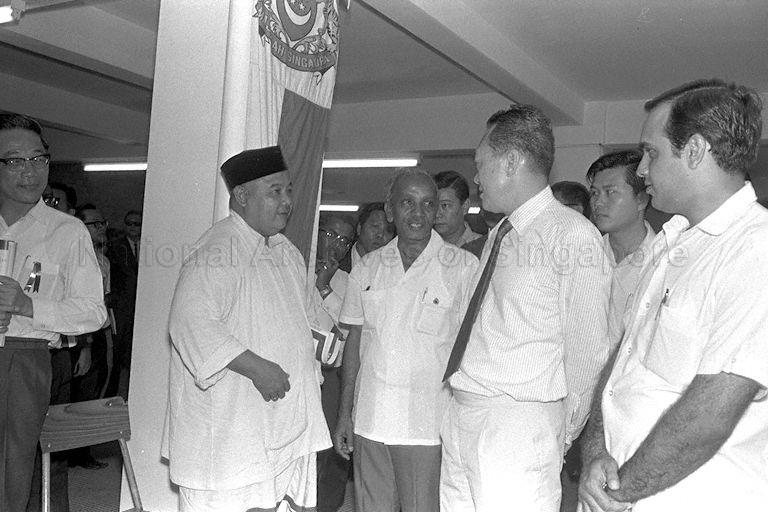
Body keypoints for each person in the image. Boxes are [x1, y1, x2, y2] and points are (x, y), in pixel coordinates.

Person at [579, 79, 768, 512]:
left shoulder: (755, 250)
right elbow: (620, 364)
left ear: (696, 151)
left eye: (652, 152)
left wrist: (620, 490)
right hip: (618, 489)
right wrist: (594, 453)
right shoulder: (671, 242)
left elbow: (711, 413)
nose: (642, 169)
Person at [440, 105, 611, 512]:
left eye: (481, 165)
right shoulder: (502, 231)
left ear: (512, 161)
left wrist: (560, 431)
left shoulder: (572, 235)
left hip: (518, 423)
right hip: (464, 411)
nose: (477, 178)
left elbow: (589, 352)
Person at [163, 146, 330, 512]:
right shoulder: (218, 248)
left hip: (277, 422)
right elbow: (190, 322)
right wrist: (258, 368)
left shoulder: (287, 251)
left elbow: (302, 317)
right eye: (275, 191)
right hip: (229, 428)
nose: (286, 201)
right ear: (241, 196)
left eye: (288, 190)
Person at [334, 169, 477, 512]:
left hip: (429, 425)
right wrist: (345, 414)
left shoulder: (462, 267)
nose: (418, 214)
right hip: (371, 421)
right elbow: (354, 345)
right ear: (389, 209)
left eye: (428, 204)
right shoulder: (367, 268)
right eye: (407, 203)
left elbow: (472, 350)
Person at [0, 112, 106, 511]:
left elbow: (93, 311)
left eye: (38, 159)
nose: (30, 172)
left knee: (10, 474)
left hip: (21, 362)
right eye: (14, 160)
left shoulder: (67, 231)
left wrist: (28, 305)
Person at [587, 150, 655, 347]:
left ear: (641, 200)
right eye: (594, 193)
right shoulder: (583, 255)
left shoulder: (662, 261)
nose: (598, 202)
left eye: (610, 192)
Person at [312, 215, 355, 512]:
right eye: (331, 235)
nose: (337, 245)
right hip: (295, 374)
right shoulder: (293, 266)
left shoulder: (347, 282)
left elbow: (350, 330)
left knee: (324, 454)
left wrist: (325, 287)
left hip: (330, 377)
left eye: (345, 241)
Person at [67, 204, 113, 469]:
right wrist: (85, 346)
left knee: (96, 390)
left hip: (101, 332)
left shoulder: (103, 259)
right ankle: (73, 453)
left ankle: (82, 450)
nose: (101, 228)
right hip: (83, 337)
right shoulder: (77, 259)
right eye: (94, 224)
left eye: (102, 223)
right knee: (80, 395)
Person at [106, 209, 141, 399]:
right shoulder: (115, 247)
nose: (133, 227)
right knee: (119, 354)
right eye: (130, 223)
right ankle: (113, 396)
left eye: (137, 224)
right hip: (122, 308)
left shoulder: (152, 245)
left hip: (143, 308)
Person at [433, 170, 482, 247]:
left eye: (445, 205)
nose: (437, 214)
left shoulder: (483, 247)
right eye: (433, 205)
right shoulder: (422, 248)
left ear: (465, 206)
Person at [349, 202, 394, 268]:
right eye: (375, 226)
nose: (380, 235)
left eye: (388, 230)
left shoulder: (394, 268)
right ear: (359, 228)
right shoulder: (338, 262)